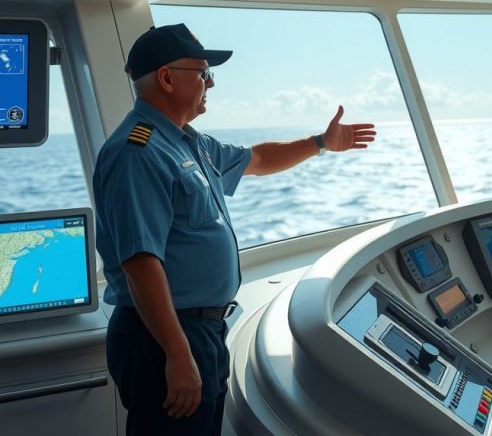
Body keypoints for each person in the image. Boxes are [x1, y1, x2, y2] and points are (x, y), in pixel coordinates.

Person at [94, 23, 376, 436]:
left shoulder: (188, 143)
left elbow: (256, 159)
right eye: (203, 73)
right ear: (167, 78)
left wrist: (320, 143)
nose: (210, 83)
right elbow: (140, 262)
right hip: (163, 336)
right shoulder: (138, 152)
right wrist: (177, 353)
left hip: (199, 330)